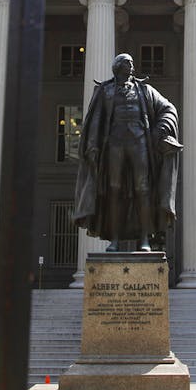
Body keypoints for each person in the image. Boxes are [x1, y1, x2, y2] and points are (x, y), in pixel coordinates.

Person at [73, 53, 180, 252]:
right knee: (114, 189)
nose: (132, 66)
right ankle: (114, 239)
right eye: (128, 63)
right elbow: (95, 120)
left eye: (132, 63)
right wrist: (92, 146)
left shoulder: (145, 89)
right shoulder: (105, 91)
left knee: (143, 188)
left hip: (139, 141)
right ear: (118, 66)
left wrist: (159, 131)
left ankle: (145, 239)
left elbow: (168, 109)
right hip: (114, 143)